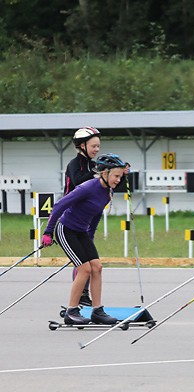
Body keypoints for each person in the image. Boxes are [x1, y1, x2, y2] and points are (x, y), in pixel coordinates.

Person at [41, 153, 128, 325]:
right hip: (66, 230)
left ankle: (97, 311)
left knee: (97, 267)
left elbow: (95, 217)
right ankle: (71, 311)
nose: (119, 180)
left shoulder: (107, 192)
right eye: (116, 176)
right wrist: (48, 232)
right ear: (105, 173)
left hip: (81, 232)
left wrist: (89, 239)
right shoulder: (87, 187)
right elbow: (59, 205)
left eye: (121, 176)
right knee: (84, 269)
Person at [64, 126, 102, 307]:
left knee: (89, 259)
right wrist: (97, 173)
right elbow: (79, 181)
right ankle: (81, 296)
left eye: (98, 146)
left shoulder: (94, 165)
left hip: (89, 217)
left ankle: (85, 296)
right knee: (82, 263)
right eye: (93, 146)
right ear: (81, 146)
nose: (96, 150)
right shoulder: (74, 164)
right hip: (72, 217)